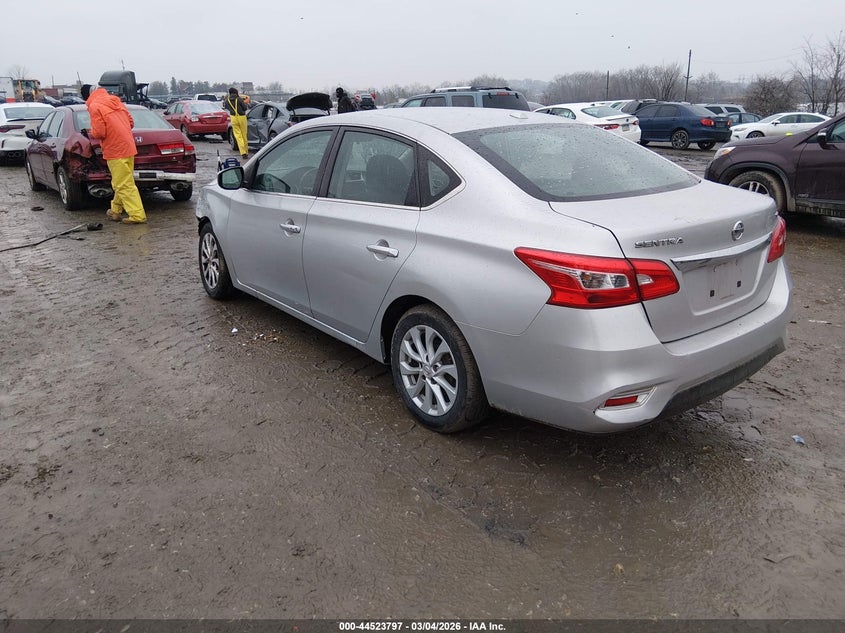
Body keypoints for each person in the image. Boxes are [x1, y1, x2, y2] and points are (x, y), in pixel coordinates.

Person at [81, 83, 147, 225]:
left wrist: (92, 132)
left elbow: (100, 132)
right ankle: (115, 211)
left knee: (123, 184)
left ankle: (137, 215)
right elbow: (130, 122)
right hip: (128, 147)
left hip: (114, 149)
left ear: (87, 96)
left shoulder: (94, 106)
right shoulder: (116, 101)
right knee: (122, 181)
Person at [223, 87, 249, 159]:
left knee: (238, 135)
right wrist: (245, 102)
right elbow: (245, 108)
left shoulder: (227, 100)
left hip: (233, 118)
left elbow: (226, 107)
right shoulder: (239, 99)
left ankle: (242, 152)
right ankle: (246, 152)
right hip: (242, 117)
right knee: (244, 135)